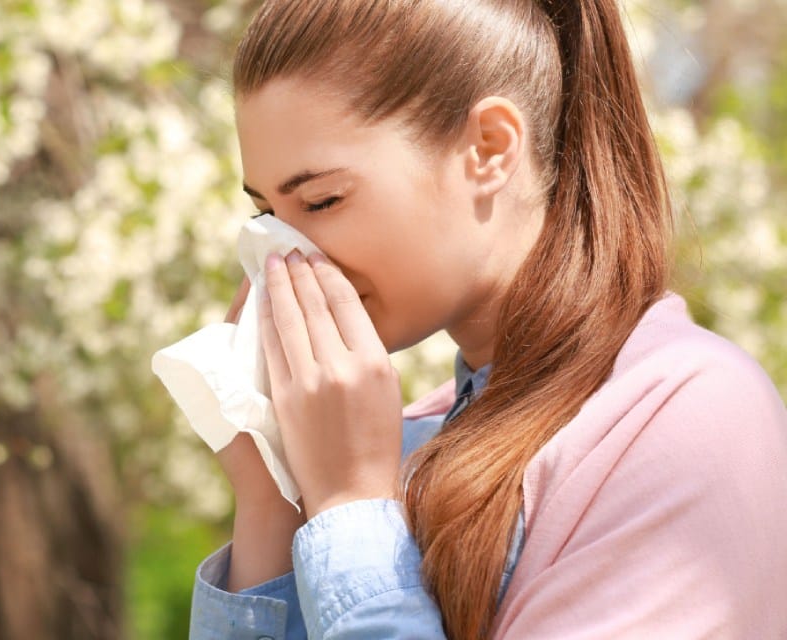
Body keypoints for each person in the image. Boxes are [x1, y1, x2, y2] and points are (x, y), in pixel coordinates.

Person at [185, 0, 787, 638]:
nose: (284, 255)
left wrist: (350, 507)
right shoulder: (406, 442)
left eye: (321, 200)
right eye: (266, 216)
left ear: (489, 149)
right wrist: (272, 498)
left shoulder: (679, 417)